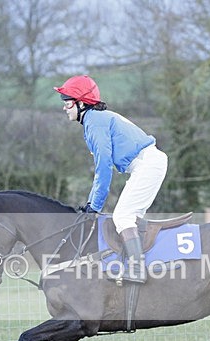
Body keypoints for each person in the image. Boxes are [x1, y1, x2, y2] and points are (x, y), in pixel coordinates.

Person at [54, 75, 168, 284]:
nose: (64, 107)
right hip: (146, 164)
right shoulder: (95, 120)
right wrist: (91, 203)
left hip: (147, 164)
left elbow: (104, 168)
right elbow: (102, 168)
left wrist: (94, 206)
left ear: (82, 103)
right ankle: (138, 265)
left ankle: (137, 269)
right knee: (129, 220)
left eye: (68, 101)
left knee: (123, 217)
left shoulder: (94, 121)